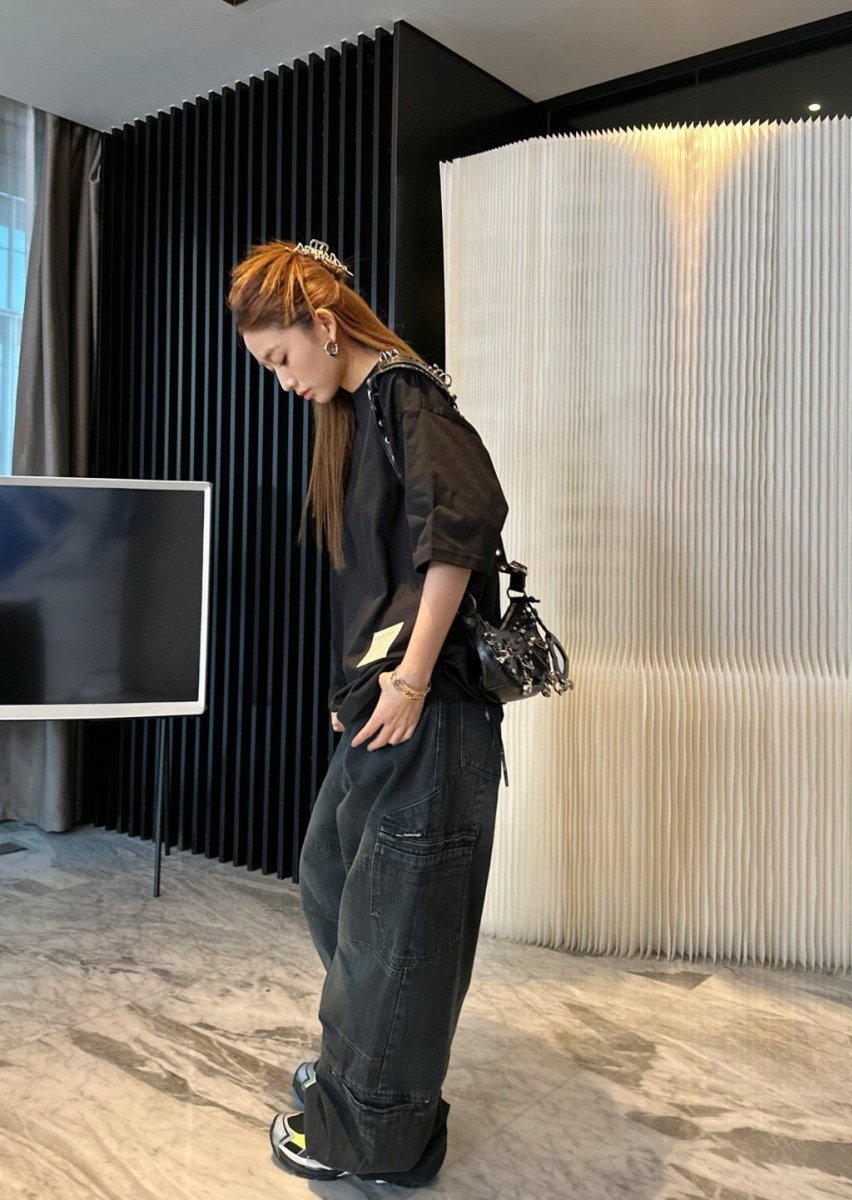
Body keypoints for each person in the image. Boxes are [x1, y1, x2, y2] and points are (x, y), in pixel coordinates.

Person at [226, 238, 509, 1187]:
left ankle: (374, 1129)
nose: (282, 382)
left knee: (397, 916)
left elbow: (460, 527)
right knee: (336, 879)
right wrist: (362, 688)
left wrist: (411, 679)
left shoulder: (403, 393)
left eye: (281, 359)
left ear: (323, 324)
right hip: (387, 704)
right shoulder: (360, 413)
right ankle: (374, 1068)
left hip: (429, 706)